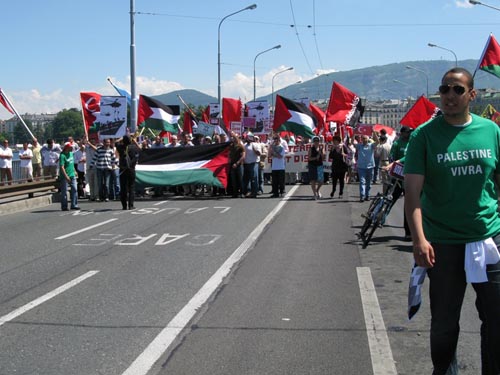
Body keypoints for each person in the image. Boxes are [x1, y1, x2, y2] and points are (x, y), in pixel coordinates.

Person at [404, 67, 500, 375]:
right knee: (444, 323)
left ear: (472, 95)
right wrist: (419, 240)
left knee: (496, 319)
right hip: (442, 243)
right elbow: (412, 193)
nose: (449, 96)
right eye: (445, 90)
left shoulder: (491, 131)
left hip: (488, 240)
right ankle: (445, 370)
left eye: (457, 90)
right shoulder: (424, 136)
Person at [115, 135, 140, 210]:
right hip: (131, 169)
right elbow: (137, 155)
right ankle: (131, 205)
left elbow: (116, 142)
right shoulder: (134, 148)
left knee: (123, 188)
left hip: (123, 169)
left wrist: (122, 137)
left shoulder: (120, 147)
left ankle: (124, 205)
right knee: (131, 187)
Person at [355, 132, 379, 202]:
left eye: (365, 138)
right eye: (363, 138)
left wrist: (374, 133)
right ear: (361, 139)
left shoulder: (371, 145)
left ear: (368, 139)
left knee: (369, 182)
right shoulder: (359, 146)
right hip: (361, 167)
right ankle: (362, 196)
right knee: (362, 182)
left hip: (370, 166)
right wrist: (354, 134)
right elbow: (352, 143)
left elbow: (377, 141)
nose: (364, 140)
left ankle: (367, 195)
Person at [59, 142, 79, 211]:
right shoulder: (62, 155)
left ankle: (74, 204)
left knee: (75, 189)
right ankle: (64, 206)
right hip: (65, 176)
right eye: (70, 147)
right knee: (64, 191)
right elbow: (62, 167)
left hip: (72, 174)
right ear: (66, 147)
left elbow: (72, 163)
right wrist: (66, 176)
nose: (72, 148)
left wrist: (75, 171)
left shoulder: (71, 154)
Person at [242, 133, 260, 198]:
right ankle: (247, 192)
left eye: (250, 137)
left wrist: (254, 149)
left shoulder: (255, 144)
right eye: (248, 137)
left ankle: (254, 192)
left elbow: (259, 153)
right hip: (246, 164)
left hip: (253, 163)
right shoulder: (244, 145)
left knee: (254, 179)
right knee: (246, 179)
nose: (249, 138)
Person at [307, 135, 325, 199]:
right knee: (313, 181)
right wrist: (315, 158)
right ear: (313, 142)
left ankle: (317, 190)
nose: (316, 142)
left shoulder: (321, 149)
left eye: (317, 141)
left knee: (321, 181)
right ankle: (314, 194)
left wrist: (321, 154)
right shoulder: (311, 149)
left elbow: (323, 158)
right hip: (312, 165)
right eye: (315, 141)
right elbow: (309, 158)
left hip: (319, 165)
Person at [228, 133, 245, 198]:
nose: (233, 139)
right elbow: (229, 154)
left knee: (240, 179)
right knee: (233, 180)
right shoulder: (231, 146)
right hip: (232, 165)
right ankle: (235, 193)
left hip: (239, 165)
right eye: (232, 138)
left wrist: (237, 163)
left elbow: (243, 156)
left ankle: (242, 192)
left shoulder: (240, 146)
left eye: (234, 138)